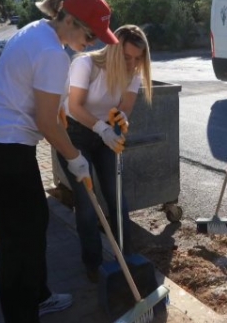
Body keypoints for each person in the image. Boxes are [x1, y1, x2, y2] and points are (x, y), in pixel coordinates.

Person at [0, 0, 119, 322]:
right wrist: (76, 159)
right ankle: (22, 314)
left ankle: (39, 296)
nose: (92, 43)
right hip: (3, 149)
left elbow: (49, 106)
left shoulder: (39, 30)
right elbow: (46, 122)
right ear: (69, 20)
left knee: (35, 224)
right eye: (90, 34)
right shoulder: (52, 53)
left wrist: (65, 115)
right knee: (17, 240)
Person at [56, 24, 153, 283]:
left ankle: (126, 258)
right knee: (87, 204)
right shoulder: (85, 65)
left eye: (137, 59)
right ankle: (94, 264)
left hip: (105, 135)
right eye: (126, 56)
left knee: (117, 195)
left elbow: (126, 106)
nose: (132, 64)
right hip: (74, 134)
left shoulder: (132, 73)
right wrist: (102, 129)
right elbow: (75, 107)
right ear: (113, 50)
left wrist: (121, 122)